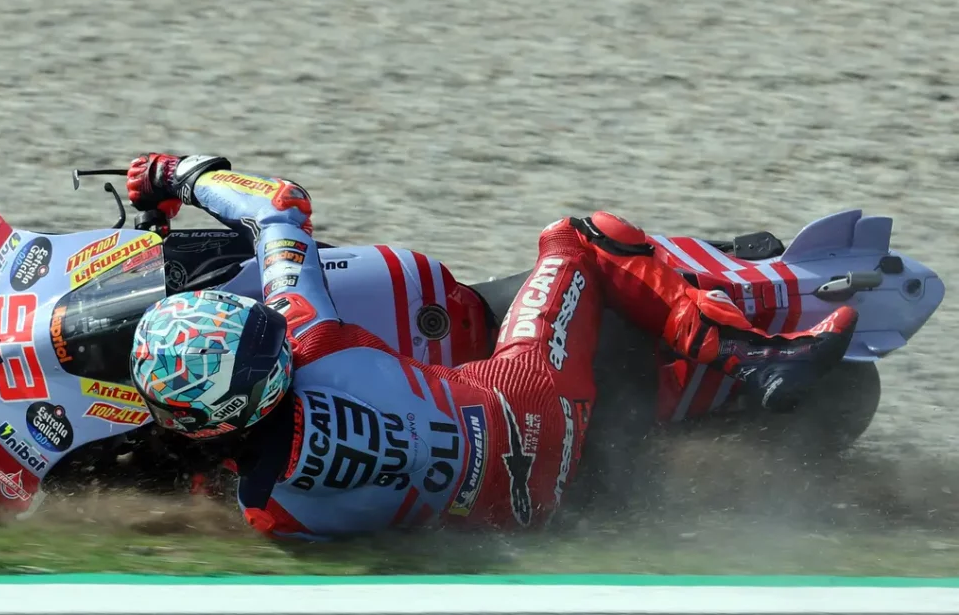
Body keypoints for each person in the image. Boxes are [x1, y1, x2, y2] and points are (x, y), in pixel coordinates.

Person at [123, 152, 858, 540]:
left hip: (533, 511)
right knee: (580, 236)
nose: (270, 322)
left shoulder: (271, 514)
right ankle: (758, 359)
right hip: (537, 396)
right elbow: (280, 207)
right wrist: (183, 172)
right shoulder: (311, 335)